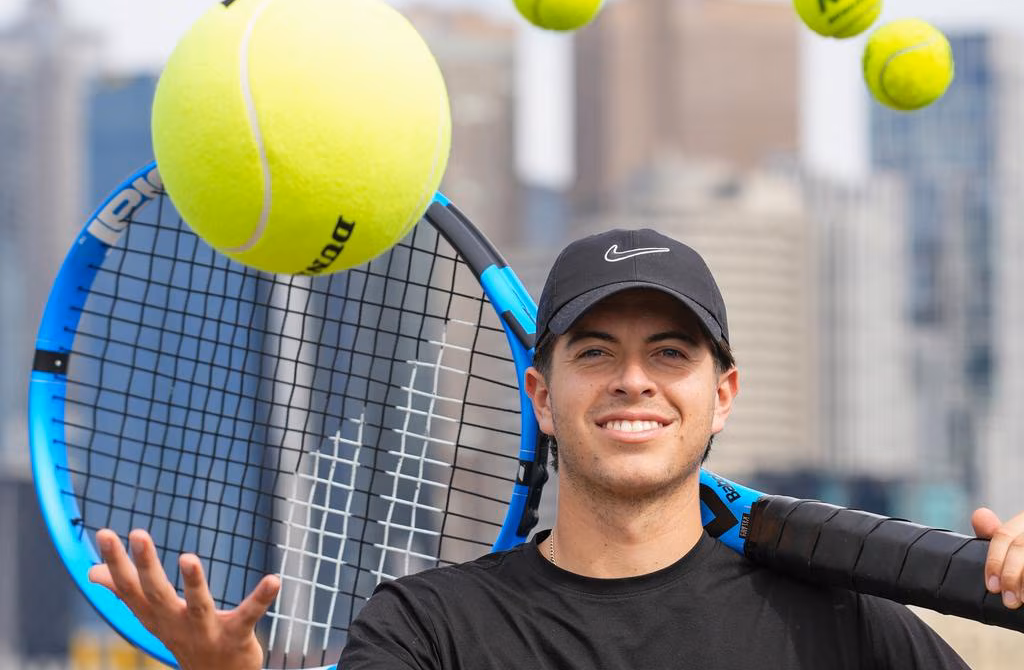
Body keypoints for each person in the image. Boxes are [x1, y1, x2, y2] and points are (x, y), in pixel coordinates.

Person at [90, 227, 1024, 669]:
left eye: (671, 353)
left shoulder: (842, 629)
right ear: (540, 394)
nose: (634, 381)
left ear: (721, 396)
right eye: (595, 353)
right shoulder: (428, 632)